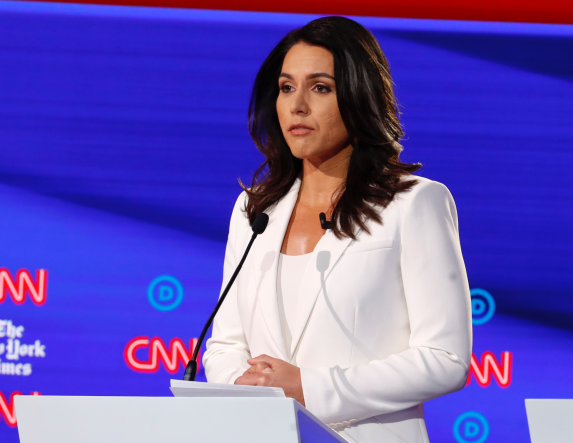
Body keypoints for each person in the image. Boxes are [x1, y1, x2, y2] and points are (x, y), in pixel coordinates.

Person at [202, 16, 472, 443]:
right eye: (286, 87)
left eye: (320, 87)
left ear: (359, 96)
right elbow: (225, 345)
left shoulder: (413, 203)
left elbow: (445, 358)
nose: (297, 105)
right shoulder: (253, 210)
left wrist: (309, 388)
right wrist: (244, 387)